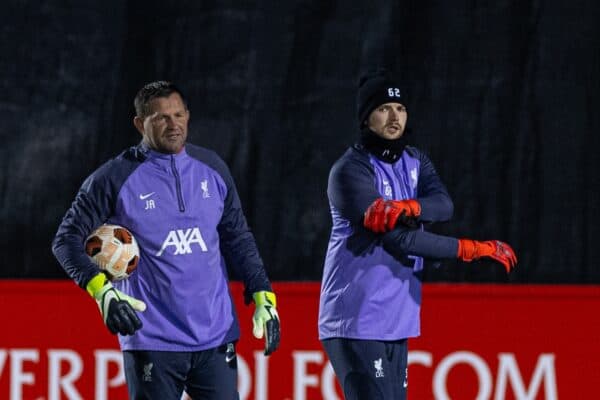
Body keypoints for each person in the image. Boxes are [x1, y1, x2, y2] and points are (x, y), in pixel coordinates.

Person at [52, 81, 280, 399]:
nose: (173, 125)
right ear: (139, 123)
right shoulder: (114, 178)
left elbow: (237, 236)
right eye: (161, 118)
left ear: (188, 115)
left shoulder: (211, 168)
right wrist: (101, 292)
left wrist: (262, 294)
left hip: (215, 336)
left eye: (179, 114)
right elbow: (65, 240)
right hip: (152, 339)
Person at [318, 69, 516, 400]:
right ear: (366, 118)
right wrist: (472, 249)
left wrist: (408, 207)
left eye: (400, 108)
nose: (394, 115)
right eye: (383, 108)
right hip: (357, 318)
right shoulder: (351, 170)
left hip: (397, 318)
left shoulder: (415, 161)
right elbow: (402, 239)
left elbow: (444, 205)